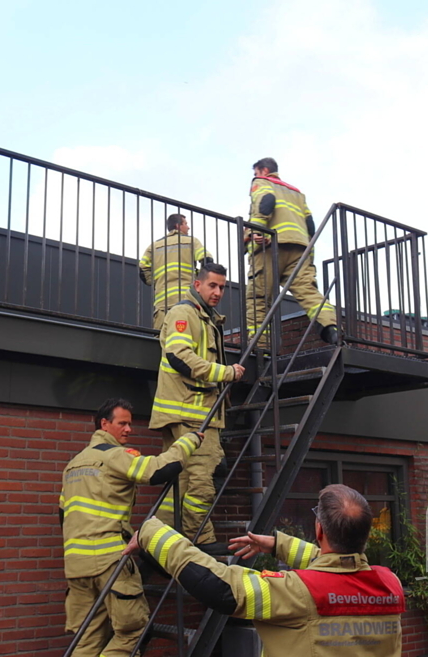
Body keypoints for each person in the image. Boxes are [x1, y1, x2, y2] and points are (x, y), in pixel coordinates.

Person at [125, 484, 405, 657]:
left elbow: (220, 587)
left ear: (319, 529)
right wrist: (278, 545)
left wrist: (152, 532)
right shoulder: (389, 583)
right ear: (366, 534)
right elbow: (339, 565)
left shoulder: (299, 591)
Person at [60, 398, 205, 657]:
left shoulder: (73, 465)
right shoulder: (115, 455)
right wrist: (188, 441)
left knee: (86, 638)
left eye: (130, 423)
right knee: (133, 632)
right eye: (122, 423)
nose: (129, 429)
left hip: (75, 565)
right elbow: (158, 470)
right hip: (109, 560)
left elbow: (63, 513)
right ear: (104, 424)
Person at [149, 263, 244, 553]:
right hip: (191, 413)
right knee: (206, 476)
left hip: (194, 411)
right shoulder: (184, 313)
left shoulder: (205, 317)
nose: (217, 292)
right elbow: (179, 356)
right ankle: (198, 540)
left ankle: (156, 543)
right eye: (212, 285)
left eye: (222, 287)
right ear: (197, 284)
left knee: (182, 481)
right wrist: (225, 372)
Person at [245, 157, 338, 348]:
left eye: (255, 173)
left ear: (263, 171)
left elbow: (265, 202)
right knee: (308, 291)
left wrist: (257, 233)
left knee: (259, 297)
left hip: (270, 247)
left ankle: (260, 346)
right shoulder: (296, 193)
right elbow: (310, 224)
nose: (254, 177)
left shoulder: (262, 183)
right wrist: (310, 252)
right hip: (300, 248)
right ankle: (331, 328)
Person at [139, 213, 214, 330]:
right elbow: (207, 261)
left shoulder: (154, 246)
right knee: (186, 337)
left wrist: (156, 282)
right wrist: (199, 280)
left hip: (162, 304)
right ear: (178, 226)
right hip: (186, 300)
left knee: (161, 340)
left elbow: (143, 270)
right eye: (186, 224)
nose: (188, 227)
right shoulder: (192, 241)